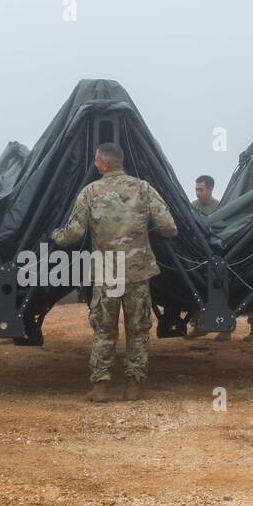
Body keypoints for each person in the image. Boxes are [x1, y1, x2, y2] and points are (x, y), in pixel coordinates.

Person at [52, 142, 177, 401]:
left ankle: (101, 386)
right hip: (138, 272)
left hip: (107, 272)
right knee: (138, 329)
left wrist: (55, 236)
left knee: (104, 329)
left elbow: (74, 234)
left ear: (104, 164)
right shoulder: (143, 189)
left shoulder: (90, 192)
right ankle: (133, 384)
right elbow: (169, 227)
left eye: (96, 160)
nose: (95, 164)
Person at [189, 175, 231, 341]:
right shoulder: (191, 208)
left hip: (218, 259)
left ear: (210, 189)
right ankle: (200, 325)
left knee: (223, 293)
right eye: (196, 189)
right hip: (199, 259)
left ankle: (225, 329)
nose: (198, 193)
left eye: (201, 189)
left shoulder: (221, 208)